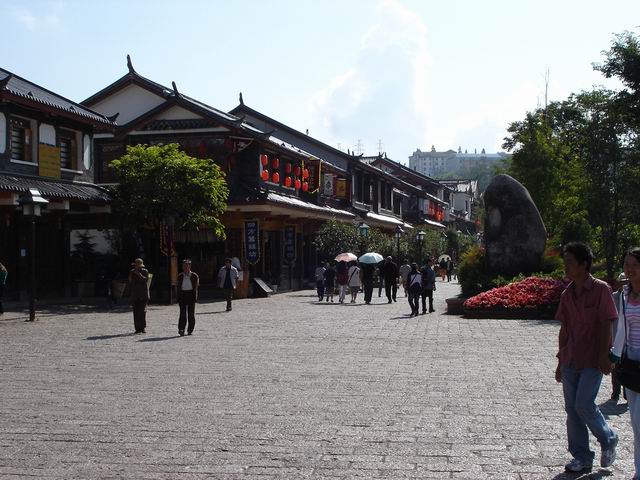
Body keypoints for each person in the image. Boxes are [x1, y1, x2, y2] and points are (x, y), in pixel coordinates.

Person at [555, 242, 618, 473]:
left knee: (583, 404)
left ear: (584, 264)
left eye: (570, 261)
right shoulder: (567, 294)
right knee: (572, 410)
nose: (566, 265)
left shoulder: (601, 290)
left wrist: (604, 355)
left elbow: (606, 323)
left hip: (593, 359)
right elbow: (564, 330)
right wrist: (560, 361)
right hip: (571, 358)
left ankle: (608, 437)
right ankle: (581, 456)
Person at [611, 247, 640, 478]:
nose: (630, 269)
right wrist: (615, 353)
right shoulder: (624, 294)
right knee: (635, 422)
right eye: (627, 265)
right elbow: (622, 326)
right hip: (631, 362)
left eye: (635, 265)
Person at [611, 271, 628, 402]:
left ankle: (627, 393)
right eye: (622, 282)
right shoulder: (614, 297)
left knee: (627, 367)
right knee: (615, 367)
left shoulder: (633, 296)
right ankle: (615, 392)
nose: (624, 284)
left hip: (629, 340)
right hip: (615, 335)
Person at [177, 259, 199, 336]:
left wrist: (195, 296)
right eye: (184, 265)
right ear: (182, 267)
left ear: (190, 266)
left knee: (191, 314)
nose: (186, 267)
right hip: (182, 294)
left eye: (187, 265)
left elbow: (196, 286)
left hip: (191, 294)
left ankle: (190, 329)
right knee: (182, 313)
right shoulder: (180, 276)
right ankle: (181, 329)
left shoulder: (194, 276)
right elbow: (178, 286)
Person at [128, 258, 150, 334]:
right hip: (135, 294)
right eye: (136, 265)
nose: (136, 266)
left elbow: (145, 280)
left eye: (138, 265)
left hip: (143, 294)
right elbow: (130, 282)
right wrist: (131, 275)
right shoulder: (132, 271)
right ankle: (137, 328)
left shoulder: (145, 271)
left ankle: (142, 327)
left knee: (142, 312)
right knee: (136, 312)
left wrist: (139, 274)